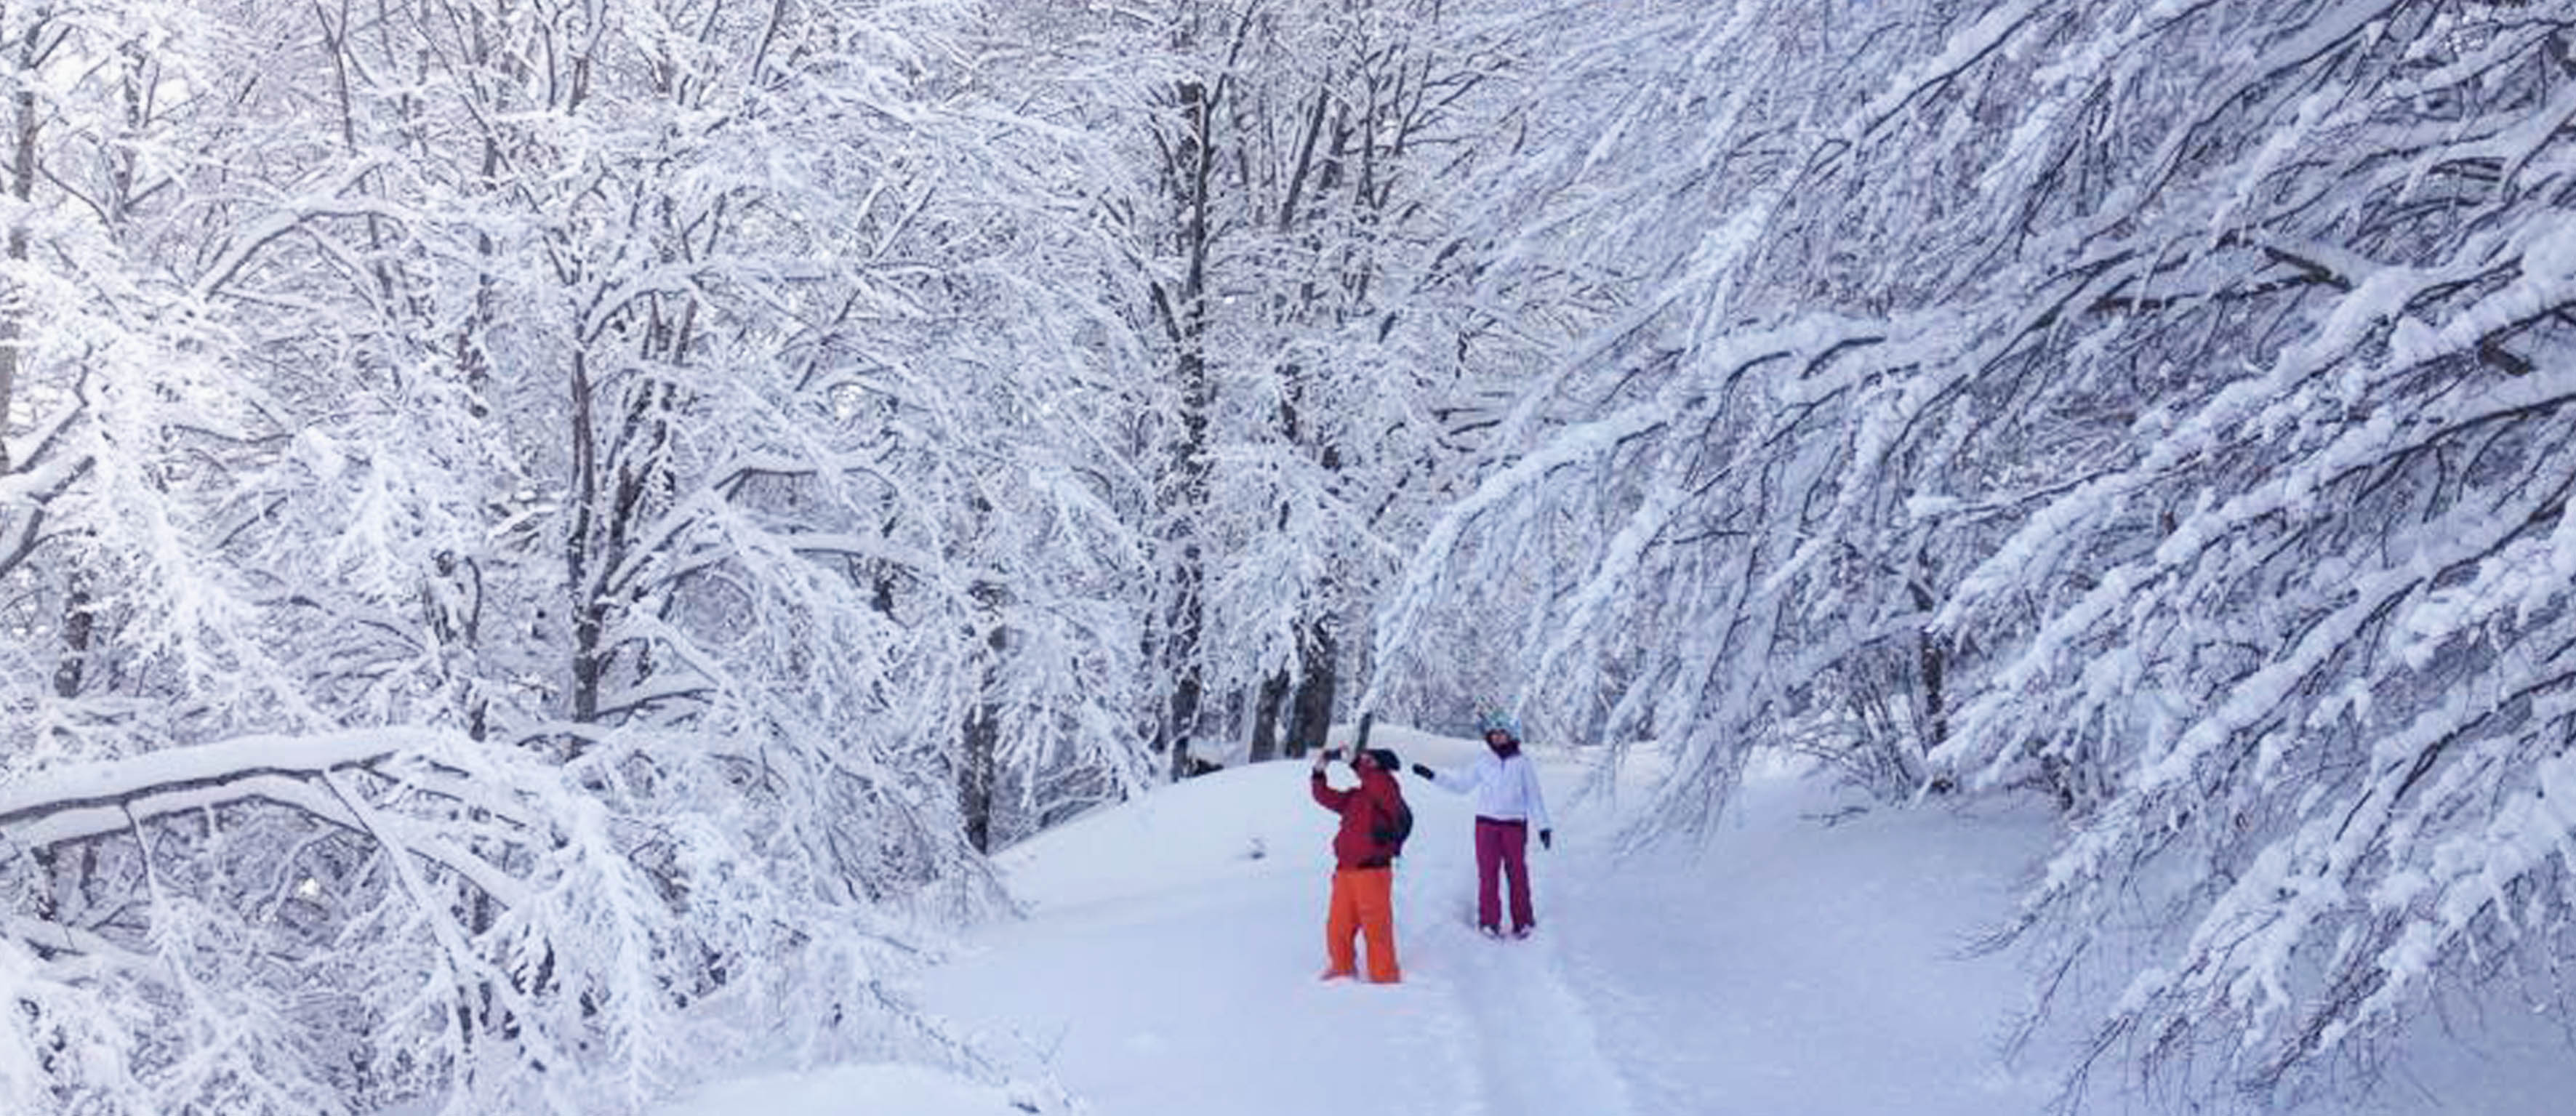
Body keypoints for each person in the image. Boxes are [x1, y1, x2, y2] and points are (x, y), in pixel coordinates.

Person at [1413, 711, 1552, 938]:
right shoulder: (1483, 762)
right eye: (1494, 734)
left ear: (1511, 735)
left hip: (1514, 826)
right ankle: (1489, 922)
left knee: (1517, 874)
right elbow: (1461, 786)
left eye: (1502, 734)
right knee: (1488, 874)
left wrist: (1544, 826)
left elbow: (1534, 797)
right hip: (1486, 826)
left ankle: (1524, 921)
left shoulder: (1523, 764)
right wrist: (1433, 776)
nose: (1498, 738)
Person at [1310, 744, 1411, 983]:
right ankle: (1341, 968)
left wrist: (1356, 763)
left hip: (1373, 871)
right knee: (1338, 926)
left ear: (1381, 765)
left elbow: (1378, 784)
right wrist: (1319, 772)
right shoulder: (1356, 796)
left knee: (1376, 927)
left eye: (1369, 759)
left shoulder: (1388, 788)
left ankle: (1384, 975)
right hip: (1345, 872)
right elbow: (1324, 797)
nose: (1363, 762)